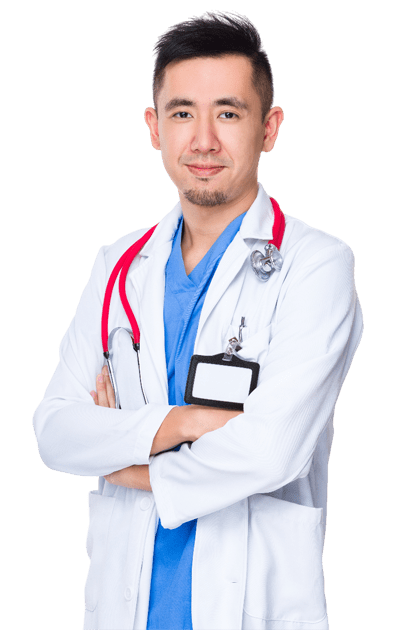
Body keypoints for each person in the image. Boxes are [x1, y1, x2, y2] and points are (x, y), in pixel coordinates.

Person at [33, 10, 363, 630]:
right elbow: (54, 431)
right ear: (155, 127)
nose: (204, 141)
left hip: (252, 608)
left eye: (229, 114)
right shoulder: (117, 266)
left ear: (269, 128)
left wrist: (124, 457)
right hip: (123, 607)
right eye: (183, 113)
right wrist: (185, 422)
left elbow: (271, 452)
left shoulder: (316, 264)